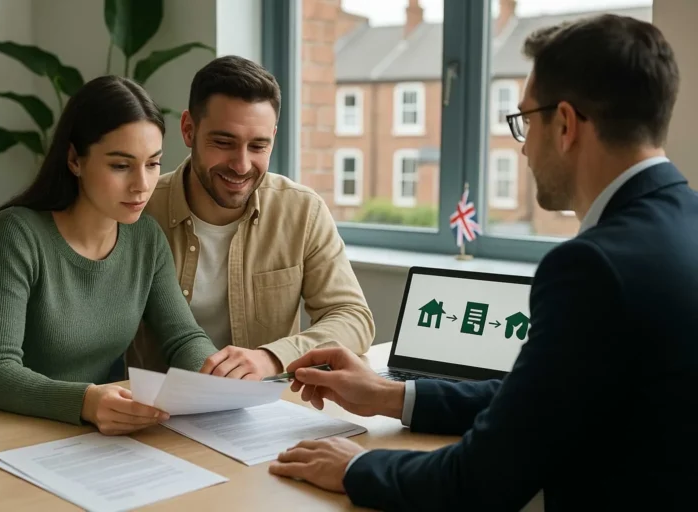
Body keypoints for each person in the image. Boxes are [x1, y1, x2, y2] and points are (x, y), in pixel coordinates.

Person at [268, 14, 698, 511]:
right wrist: (391, 396)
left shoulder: (594, 267)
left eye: (524, 121)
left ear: (564, 124)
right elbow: (537, 402)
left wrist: (356, 467)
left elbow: (481, 480)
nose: (522, 148)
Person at [0, 55, 375, 381]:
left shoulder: (299, 210)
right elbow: (50, 264)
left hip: (235, 408)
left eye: (258, 145)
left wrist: (269, 358)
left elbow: (352, 316)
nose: (242, 164)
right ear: (188, 130)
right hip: (137, 409)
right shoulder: (134, 208)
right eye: (223, 141)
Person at [0, 76, 222, 435]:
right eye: (120, 165)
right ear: (74, 159)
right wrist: (86, 401)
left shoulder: (146, 239)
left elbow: (183, 338)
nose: (142, 184)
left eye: (152, 163)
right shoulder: (17, 233)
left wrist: (215, 379)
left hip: (65, 432)